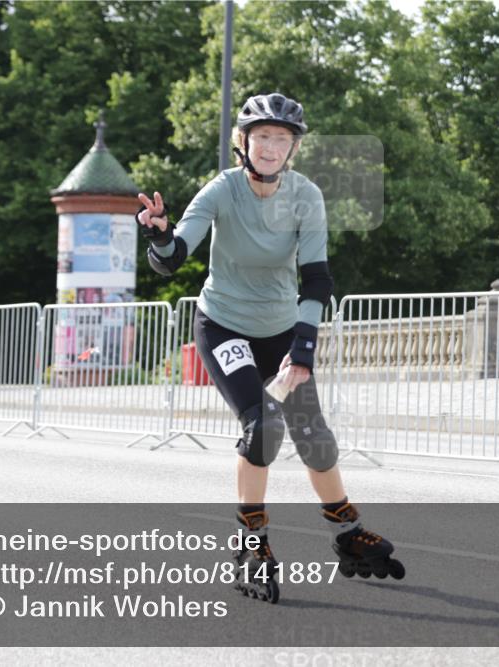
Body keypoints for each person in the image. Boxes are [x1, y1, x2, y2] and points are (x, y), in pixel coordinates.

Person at [136, 93, 403, 603]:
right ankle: (250, 543)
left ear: (293, 148)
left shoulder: (306, 196)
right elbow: (174, 255)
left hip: (282, 332)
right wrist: (161, 235)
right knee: (263, 427)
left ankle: (348, 532)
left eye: (282, 139)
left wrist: (302, 348)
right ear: (243, 141)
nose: (271, 147)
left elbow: (317, 278)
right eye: (262, 137)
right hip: (225, 327)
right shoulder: (222, 190)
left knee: (315, 437)